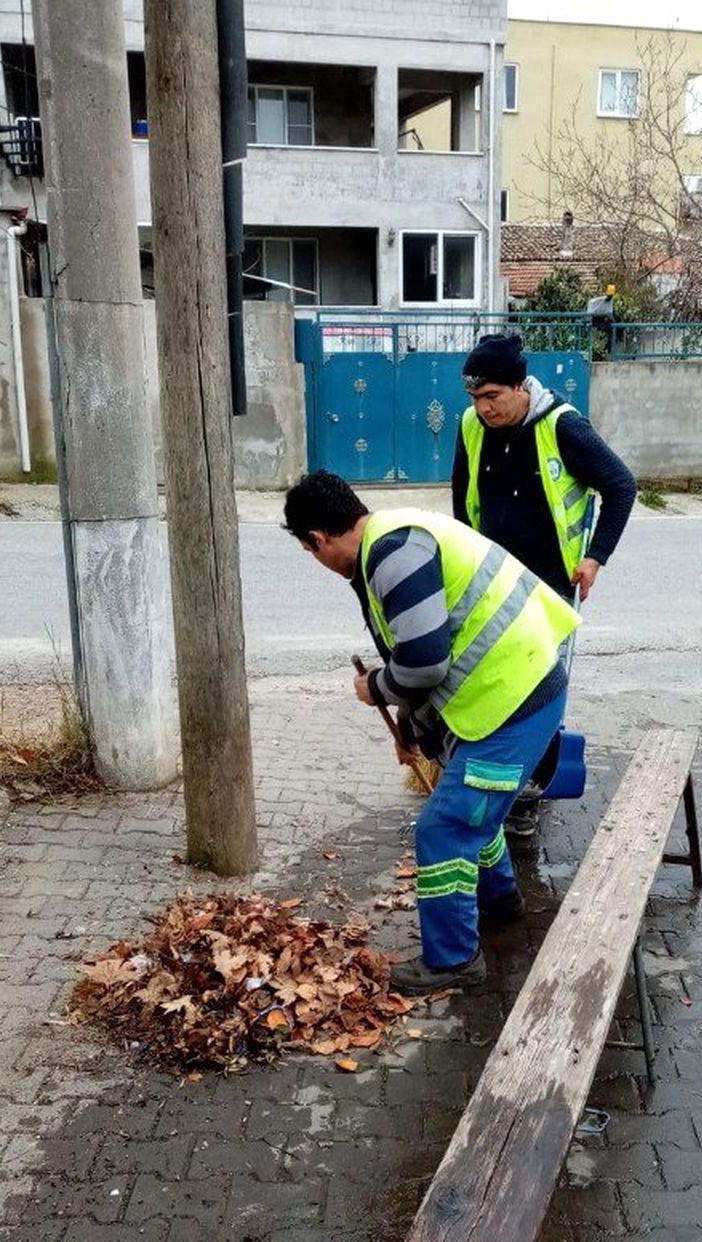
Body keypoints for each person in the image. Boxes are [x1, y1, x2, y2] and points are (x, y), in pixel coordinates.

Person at [281, 470, 578, 995]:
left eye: (310, 553)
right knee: (472, 810)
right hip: (518, 689)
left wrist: (375, 688)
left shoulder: (392, 556)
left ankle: (454, 960)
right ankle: (500, 902)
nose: (317, 562)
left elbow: (422, 664)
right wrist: (416, 734)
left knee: (444, 829)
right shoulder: (394, 536)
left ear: (316, 540)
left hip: (514, 701)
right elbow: (424, 661)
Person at [452, 330, 637, 836]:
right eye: (475, 398)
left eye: (491, 397)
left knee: (538, 687)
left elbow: (622, 486)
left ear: (520, 386)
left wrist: (596, 557)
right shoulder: (471, 425)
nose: (483, 409)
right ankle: (495, 778)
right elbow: (461, 497)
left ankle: (530, 790)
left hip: (549, 585)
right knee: (493, 683)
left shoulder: (563, 427)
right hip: (490, 582)